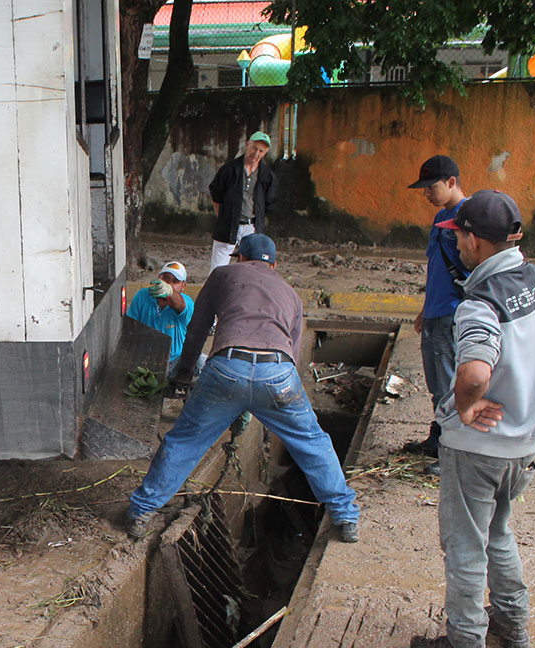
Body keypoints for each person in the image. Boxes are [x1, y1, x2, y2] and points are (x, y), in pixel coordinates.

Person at [409, 190, 535, 648]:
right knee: (498, 530)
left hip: (478, 447)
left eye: (457, 235)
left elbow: (475, 373)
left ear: (475, 240)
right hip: (524, 445)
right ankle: (513, 628)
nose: (455, 243)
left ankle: (464, 646)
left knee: (463, 544)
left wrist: (462, 406)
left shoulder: (480, 302)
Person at [125, 234, 360, 543]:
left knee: (184, 441)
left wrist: (184, 374)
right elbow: (293, 351)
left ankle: (141, 512)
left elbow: (197, 329)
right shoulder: (291, 293)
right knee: (313, 443)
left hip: (227, 367)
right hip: (278, 373)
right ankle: (345, 517)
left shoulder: (223, 274)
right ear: (274, 265)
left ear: (239, 259)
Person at [405, 155, 468, 473]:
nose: (426, 193)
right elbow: (439, 269)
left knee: (448, 385)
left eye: (431, 187)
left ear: (451, 183)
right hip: (435, 311)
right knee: (436, 383)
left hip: (451, 314)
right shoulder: (442, 217)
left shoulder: (468, 219)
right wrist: (423, 310)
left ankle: (454, 452)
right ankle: (439, 437)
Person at [208, 132, 278, 274]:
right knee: (218, 269)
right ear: (247, 144)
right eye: (254, 148)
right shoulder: (229, 170)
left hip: (252, 227)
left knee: (251, 269)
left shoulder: (268, 176)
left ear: (265, 153)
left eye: (261, 151)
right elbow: (216, 196)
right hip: (228, 225)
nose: (256, 153)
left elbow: (269, 203)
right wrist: (223, 218)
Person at [126, 261, 194, 373]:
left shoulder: (187, 303)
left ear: (183, 286)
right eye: (166, 279)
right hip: (145, 360)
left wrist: (170, 293)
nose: (169, 284)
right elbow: (131, 329)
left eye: (175, 282)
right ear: (159, 278)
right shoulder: (142, 296)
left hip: (175, 361)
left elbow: (180, 305)